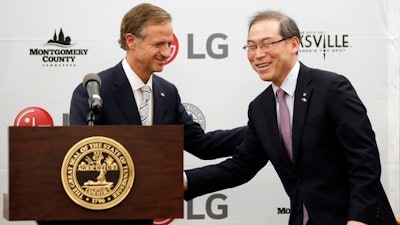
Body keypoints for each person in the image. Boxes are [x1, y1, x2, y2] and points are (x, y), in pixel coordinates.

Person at [183, 10, 398, 225]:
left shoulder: (331, 88)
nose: (257, 54)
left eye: (267, 44)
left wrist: (359, 218)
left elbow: (364, 159)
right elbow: (241, 166)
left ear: (294, 44)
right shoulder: (260, 107)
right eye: (251, 46)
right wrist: (182, 180)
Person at [38, 3, 245, 225]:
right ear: (131, 41)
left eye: (169, 43)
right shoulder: (94, 90)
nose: (166, 52)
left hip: (145, 214)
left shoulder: (168, 92)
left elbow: (202, 144)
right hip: (101, 217)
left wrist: (263, 129)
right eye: (158, 44)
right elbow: (82, 160)